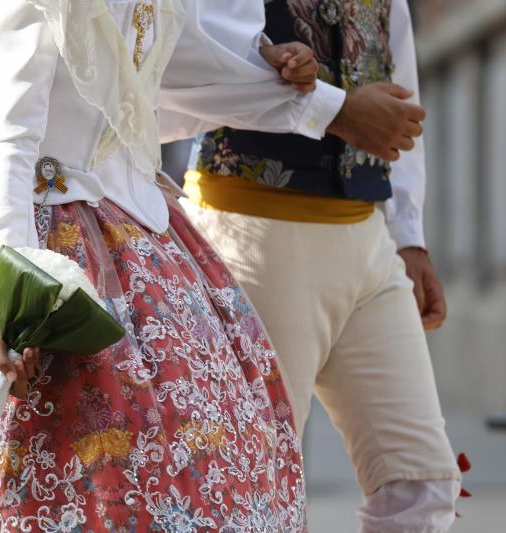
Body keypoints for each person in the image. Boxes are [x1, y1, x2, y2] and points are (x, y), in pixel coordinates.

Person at [0, 1, 346, 531]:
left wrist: (275, 72)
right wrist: (0, 303)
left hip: (147, 238)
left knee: (209, 481)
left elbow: (168, 86)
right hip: (42, 247)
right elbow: (11, 145)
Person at [176, 0, 461, 530]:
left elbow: (398, 75)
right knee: (253, 490)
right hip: (250, 233)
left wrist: (408, 236)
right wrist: (338, 109)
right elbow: (195, 60)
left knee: (422, 485)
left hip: (367, 240)